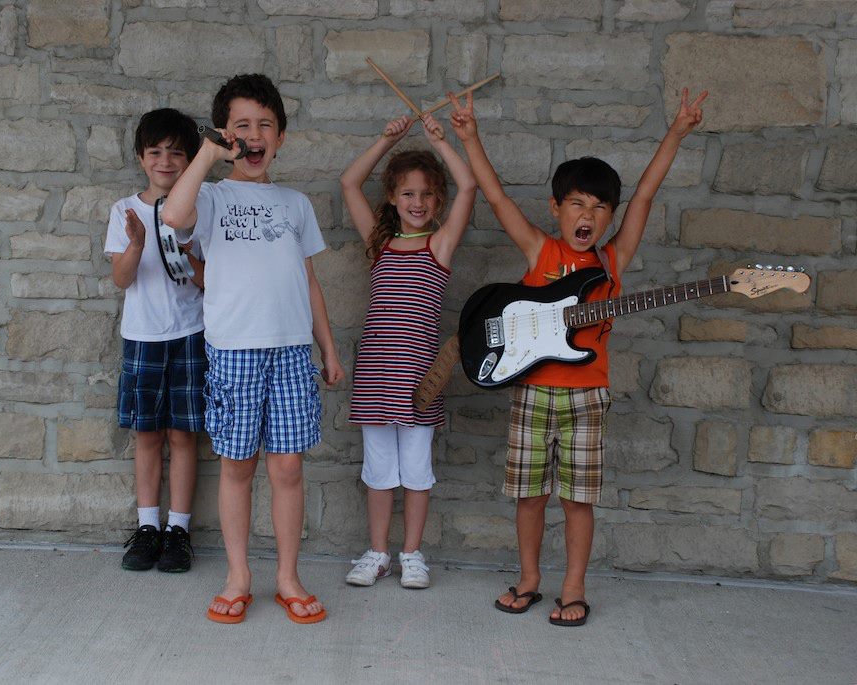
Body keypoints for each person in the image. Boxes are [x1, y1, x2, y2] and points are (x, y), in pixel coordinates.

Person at [449, 87, 708, 626]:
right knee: (528, 495)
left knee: (577, 499)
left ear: (609, 217)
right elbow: (496, 198)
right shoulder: (541, 251)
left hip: (588, 398)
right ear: (556, 208)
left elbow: (645, 196)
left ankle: (573, 587)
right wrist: (470, 137)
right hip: (532, 392)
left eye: (599, 206)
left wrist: (676, 133)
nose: (587, 214)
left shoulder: (612, 262)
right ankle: (528, 580)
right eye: (577, 203)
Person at [160, 74, 345, 624]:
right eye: (242, 125)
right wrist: (208, 154)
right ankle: (238, 575)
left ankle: (287, 577)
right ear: (225, 134)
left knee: (287, 468)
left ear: (281, 136)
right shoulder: (212, 196)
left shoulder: (295, 204)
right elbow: (173, 216)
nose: (254, 134)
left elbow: (308, 281)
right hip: (235, 351)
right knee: (238, 466)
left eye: (266, 124)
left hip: (290, 351)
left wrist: (328, 349)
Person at [340, 114, 476, 589]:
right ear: (393, 199)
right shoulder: (380, 243)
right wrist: (386, 139)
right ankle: (378, 553)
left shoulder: (440, 245)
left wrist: (442, 142)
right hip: (377, 378)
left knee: (417, 471)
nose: (417, 202)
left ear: (438, 201)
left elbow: (469, 184)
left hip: (420, 382)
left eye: (427, 194)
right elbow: (349, 183)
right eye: (408, 194)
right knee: (379, 471)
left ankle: (412, 555)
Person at [104, 108, 206, 574]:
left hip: (189, 333)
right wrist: (137, 243)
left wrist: (184, 248)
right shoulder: (124, 211)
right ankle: (147, 527)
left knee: (183, 434)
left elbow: (208, 280)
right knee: (147, 434)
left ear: (190, 160)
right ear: (141, 157)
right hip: (143, 336)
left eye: (176, 153)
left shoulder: (198, 209)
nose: (165, 161)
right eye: (156, 152)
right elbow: (121, 279)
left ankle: (178, 530)